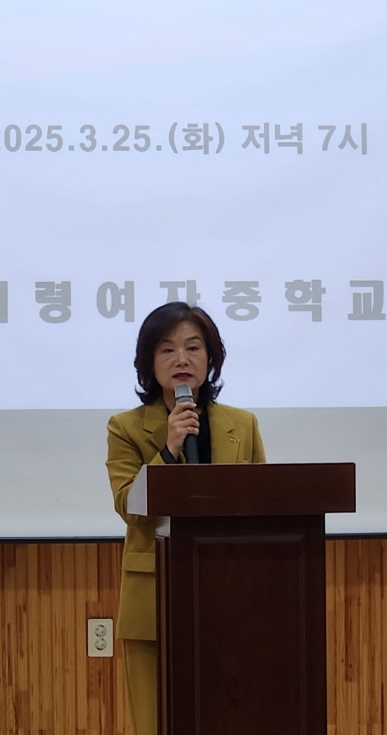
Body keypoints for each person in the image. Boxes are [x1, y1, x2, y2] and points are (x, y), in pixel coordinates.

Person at [104, 302, 266, 735]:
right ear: (149, 362)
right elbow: (129, 506)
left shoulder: (242, 425)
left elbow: (263, 507)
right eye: (167, 349)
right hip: (154, 600)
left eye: (193, 347)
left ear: (210, 358)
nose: (181, 358)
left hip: (231, 598)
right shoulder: (125, 428)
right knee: (156, 722)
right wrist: (168, 449)